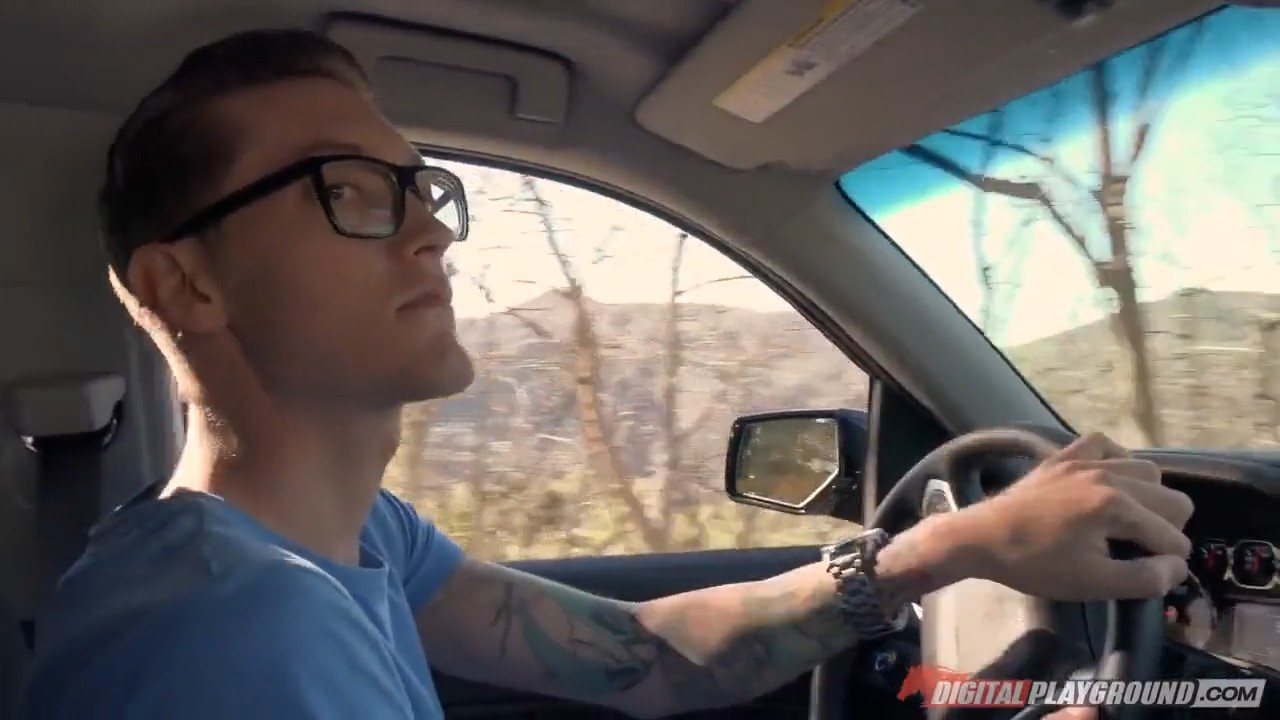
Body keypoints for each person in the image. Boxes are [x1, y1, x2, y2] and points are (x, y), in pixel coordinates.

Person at [23, 29, 1192, 720]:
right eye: (351, 190)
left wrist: (947, 548)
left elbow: (644, 657)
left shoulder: (344, 538)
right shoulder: (237, 635)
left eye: (423, 190)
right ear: (187, 286)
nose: (429, 234)